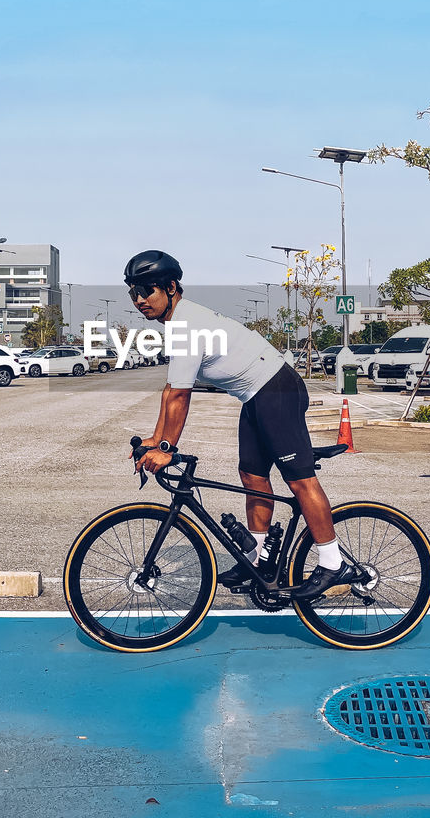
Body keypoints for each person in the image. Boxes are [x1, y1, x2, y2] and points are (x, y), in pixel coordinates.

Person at [125, 249, 359, 599]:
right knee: (251, 476)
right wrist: (156, 439)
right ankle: (261, 557)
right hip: (255, 397)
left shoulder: (187, 324)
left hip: (277, 390)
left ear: (171, 287)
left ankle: (332, 562)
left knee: (300, 481)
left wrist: (166, 449)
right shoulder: (179, 324)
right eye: (134, 293)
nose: (140, 300)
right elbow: (170, 391)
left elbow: (180, 398)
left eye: (147, 291)